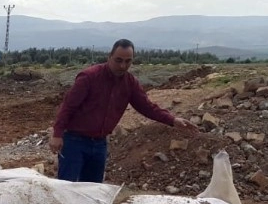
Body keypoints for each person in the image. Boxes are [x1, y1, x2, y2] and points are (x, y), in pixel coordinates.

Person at [50, 38, 198, 183]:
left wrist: (172, 120)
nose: (123, 66)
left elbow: (147, 107)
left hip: (100, 144)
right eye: (118, 60)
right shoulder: (89, 77)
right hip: (75, 142)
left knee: (93, 192)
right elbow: (68, 106)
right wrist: (57, 134)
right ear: (109, 57)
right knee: (66, 189)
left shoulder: (130, 83)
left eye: (128, 61)